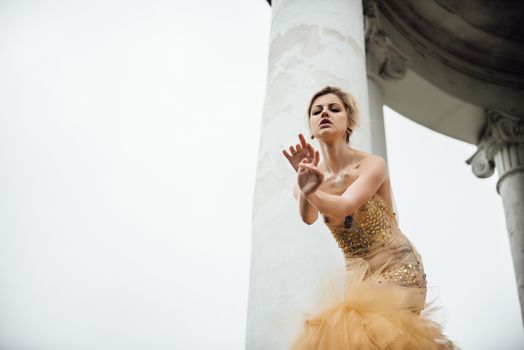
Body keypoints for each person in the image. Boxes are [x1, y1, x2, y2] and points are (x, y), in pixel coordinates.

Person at [282, 86, 458, 349]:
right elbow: (308, 217)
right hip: (359, 279)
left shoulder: (372, 165)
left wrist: (313, 191)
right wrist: (307, 187)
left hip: (399, 266)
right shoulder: (305, 178)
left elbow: (343, 205)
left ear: (349, 122)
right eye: (316, 111)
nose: (324, 114)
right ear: (310, 125)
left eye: (334, 108)